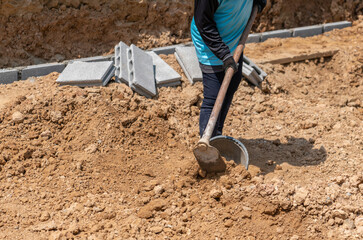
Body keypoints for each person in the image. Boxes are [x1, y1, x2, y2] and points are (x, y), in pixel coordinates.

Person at [191, 0, 266, 137]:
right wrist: (224, 54)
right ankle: (208, 143)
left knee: (232, 84)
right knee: (214, 96)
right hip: (210, 45)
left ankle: (216, 134)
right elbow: (203, 22)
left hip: (234, 39)